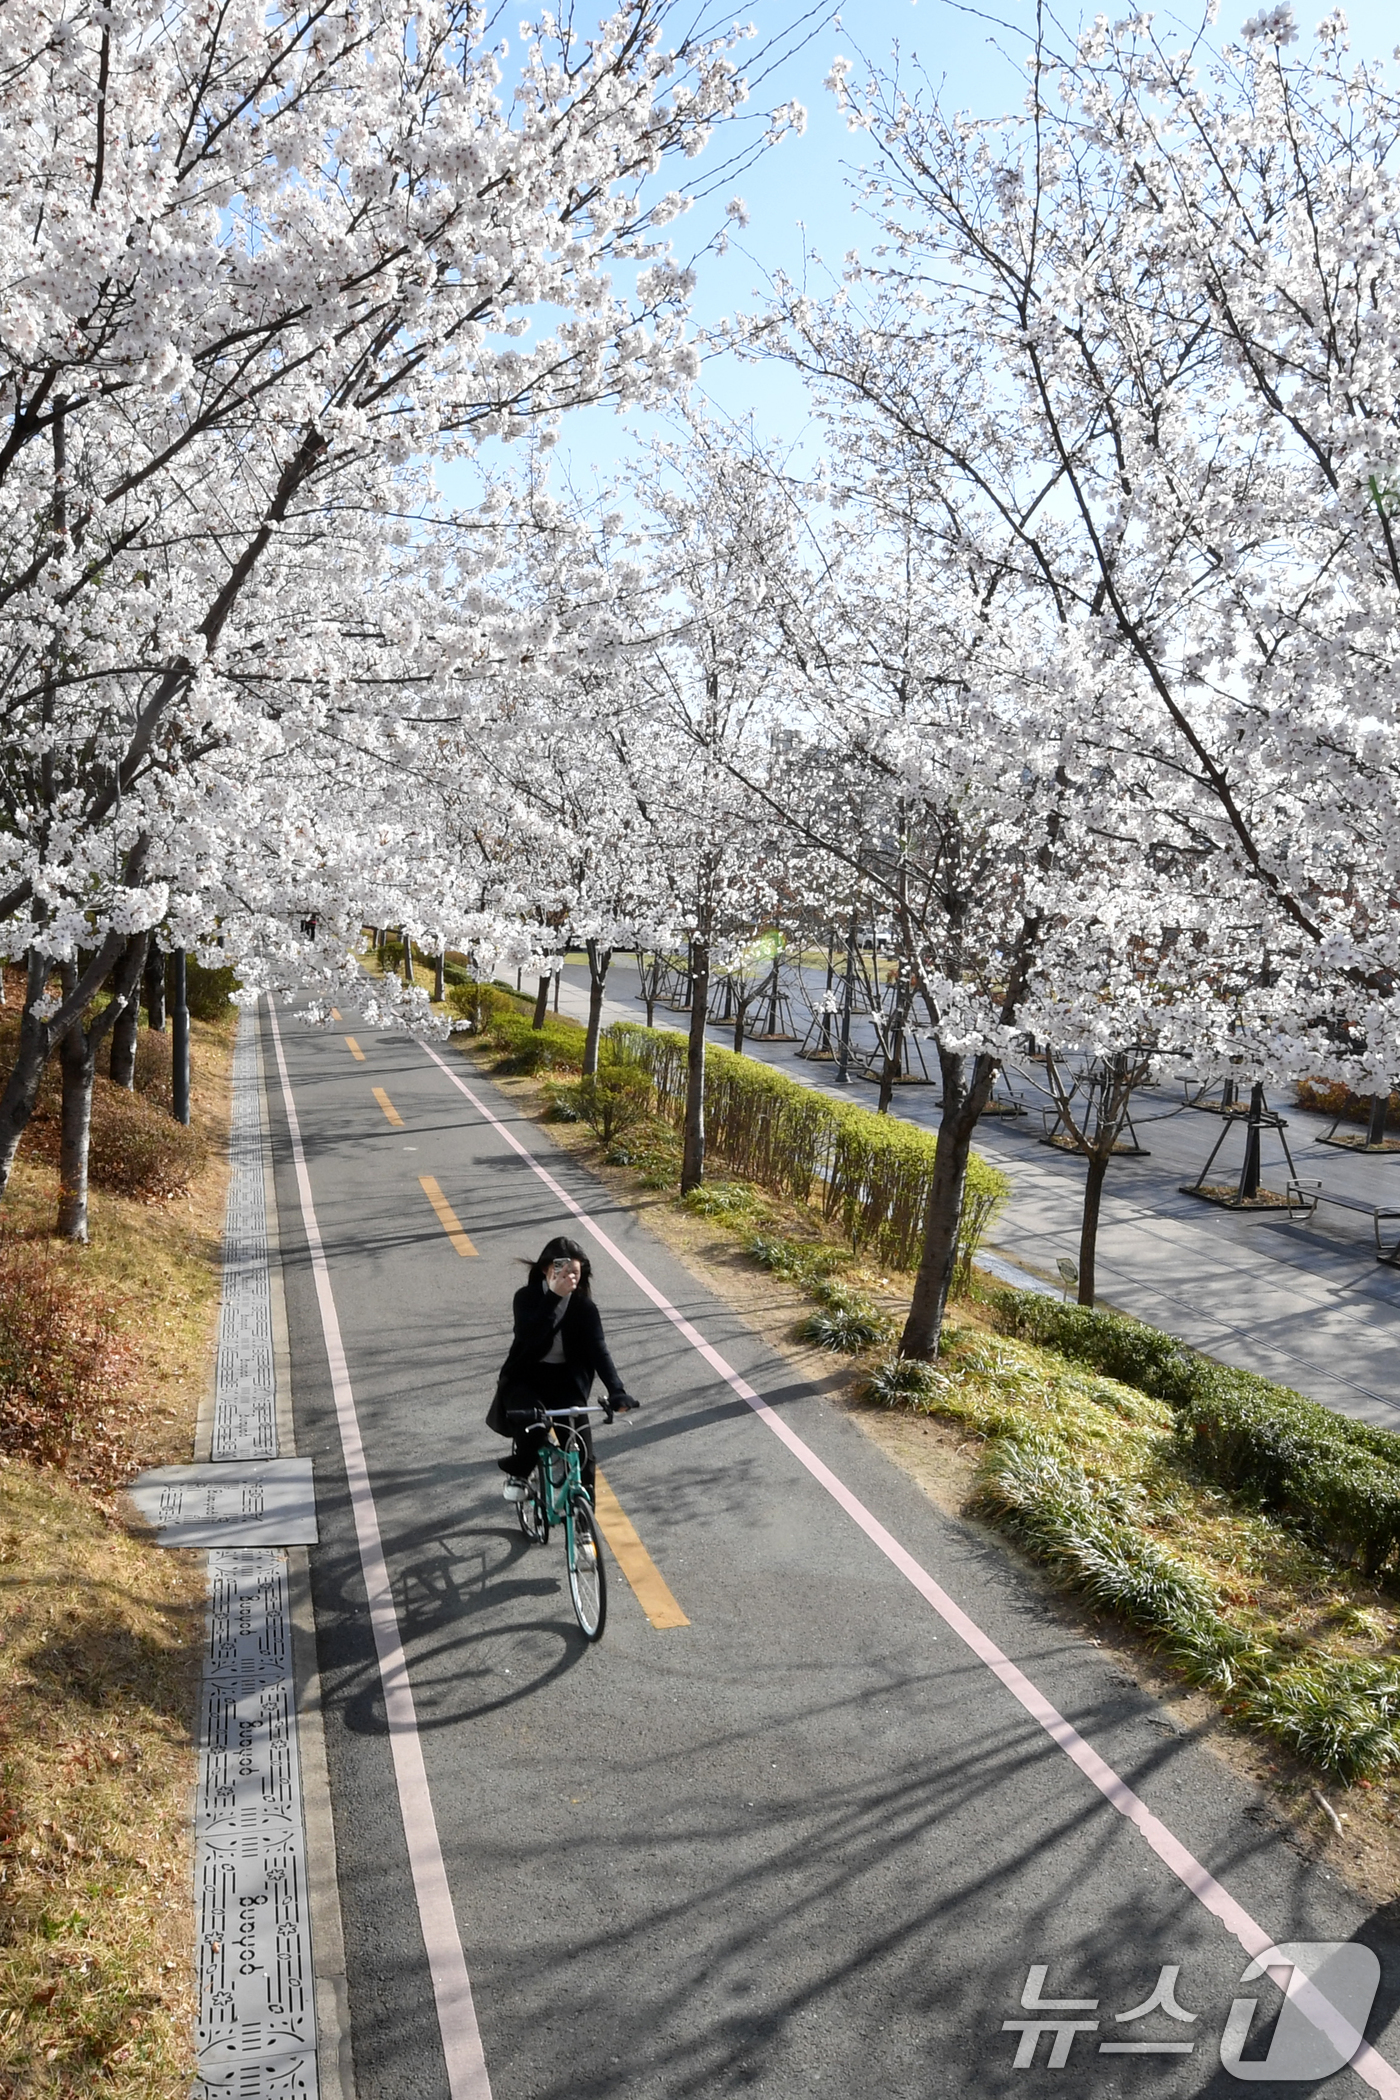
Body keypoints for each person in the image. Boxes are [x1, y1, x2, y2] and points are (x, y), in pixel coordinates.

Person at [493, 1236, 637, 1502]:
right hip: (525, 1379)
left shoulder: (584, 1307)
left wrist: (617, 1390)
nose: (568, 1277)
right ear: (546, 1269)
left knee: (583, 1454)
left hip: (565, 1383)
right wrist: (553, 1297)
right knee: (534, 1427)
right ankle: (520, 1472)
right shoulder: (526, 1298)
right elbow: (529, 1336)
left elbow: (599, 1350)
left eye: (574, 1272)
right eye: (561, 1270)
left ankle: (584, 1520)